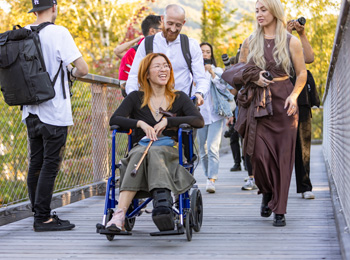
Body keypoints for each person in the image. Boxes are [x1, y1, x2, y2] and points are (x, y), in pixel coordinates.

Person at [107, 53, 204, 232]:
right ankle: (119, 216)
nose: (163, 69)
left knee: (155, 153)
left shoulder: (179, 97)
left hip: (169, 150)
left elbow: (198, 121)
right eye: (158, 66)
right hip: (141, 149)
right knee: (137, 154)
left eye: (166, 65)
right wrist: (140, 123)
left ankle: (163, 206)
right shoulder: (135, 97)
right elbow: (115, 119)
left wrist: (169, 121)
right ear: (147, 73)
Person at [234, 0, 307, 226]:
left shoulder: (291, 41)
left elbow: (302, 73)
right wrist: (253, 77)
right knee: (258, 156)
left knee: (284, 158)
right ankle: (266, 191)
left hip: (284, 102)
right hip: (258, 103)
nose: (259, 14)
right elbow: (239, 71)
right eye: (256, 10)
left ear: (274, 12)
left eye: (263, 9)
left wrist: (294, 96)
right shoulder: (249, 42)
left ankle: (280, 210)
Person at [23, 0, 88, 232]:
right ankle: (43, 218)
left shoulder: (24, 32)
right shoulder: (59, 32)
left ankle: (38, 213)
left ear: (34, 9)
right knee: (50, 165)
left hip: (30, 111)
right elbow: (83, 69)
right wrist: (70, 71)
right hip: (54, 112)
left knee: (36, 164)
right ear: (54, 8)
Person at [125, 4, 209, 105]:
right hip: (151, 106)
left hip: (181, 105)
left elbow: (201, 78)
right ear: (162, 19)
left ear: (183, 23)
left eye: (178, 25)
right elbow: (134, 76)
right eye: (170, 23)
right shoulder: (147, 44)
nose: (173, 29)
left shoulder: (190, 45)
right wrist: (133, 98)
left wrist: (200, 93)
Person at [197, 42, 233, 193]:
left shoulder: (217, 70)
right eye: (202, 51)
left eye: (207, 52)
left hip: (216, 115)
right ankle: (207, 175)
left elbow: (224, 88)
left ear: (211, 54)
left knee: (212, 148)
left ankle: (211, 179)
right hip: (199, 116)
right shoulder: (194, 71)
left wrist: (212, 73)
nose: (205, 54)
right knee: (202, 150)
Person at [287, 19, 315, 200]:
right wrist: (284, 33)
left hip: (301, 99)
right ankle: (275, 188)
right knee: (277, 146)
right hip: (279, 98)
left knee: (303, 145)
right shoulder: (275, 41)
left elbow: (309, 58)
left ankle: (305, 186)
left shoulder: (296, 43)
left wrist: (301, 34)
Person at [117, 15, 162, 94]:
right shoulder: (140, 50)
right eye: (162, 29)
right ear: (152, 31)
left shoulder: (138, 49)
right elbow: (117, 51)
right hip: (134, 92)